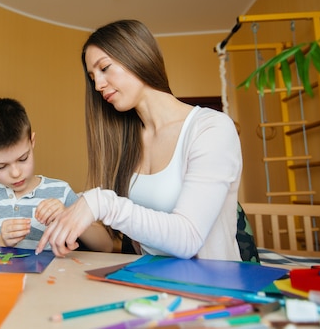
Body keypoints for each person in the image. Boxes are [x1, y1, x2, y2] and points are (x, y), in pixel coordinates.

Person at [35, 20, 243, 261]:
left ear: (137, 56)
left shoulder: (211, 128)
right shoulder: (129, 142)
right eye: (93, 77)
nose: (98, 85)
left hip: (210, 290)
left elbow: (189, 238)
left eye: (104, 68)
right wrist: (77, 209)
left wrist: (101, 202)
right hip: (150, 283)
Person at [0, 97, 113, 252]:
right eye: (1, 166)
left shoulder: (60, 191)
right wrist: (0, 241)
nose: (16, 173)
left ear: (32, 142)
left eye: (23, 159)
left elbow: (106, 247)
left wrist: (67, 215)